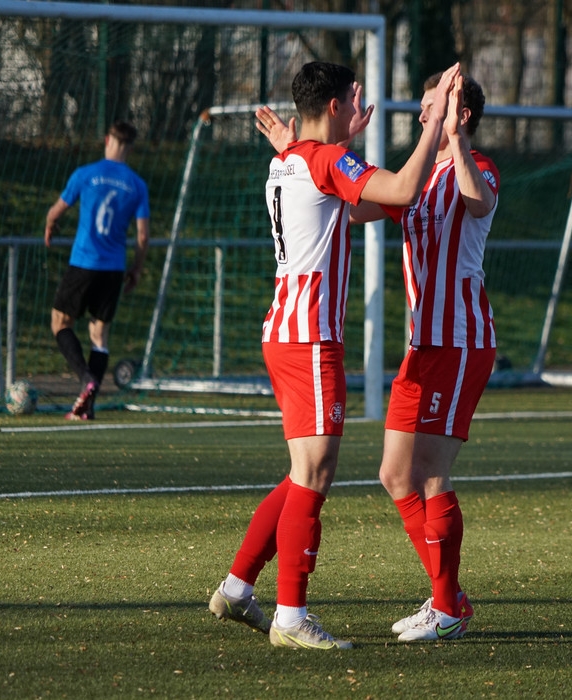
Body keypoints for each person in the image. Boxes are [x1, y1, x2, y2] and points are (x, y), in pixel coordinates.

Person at [208, 60, 461, 650]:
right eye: (354, 99)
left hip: (285, 331)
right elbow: (401, 190)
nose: (359, 106)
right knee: (315, 473)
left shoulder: (289, 160)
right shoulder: (322, 160)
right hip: (309, 339)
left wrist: (342, 146)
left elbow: (353, 197)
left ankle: (238, 586)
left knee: (302, 472)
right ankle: (291, 618)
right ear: (337, 105)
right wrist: (435, 126)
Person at [255, 69, 499, 642]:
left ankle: (447, 609)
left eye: (432, 106)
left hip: (460, 340)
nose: (422, 115)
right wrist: (312, 154)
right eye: (423, 107)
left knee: (430, 474)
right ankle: (448, 599)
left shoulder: (477, 168)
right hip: (423, 346)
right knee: (394, 474)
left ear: (461, 114)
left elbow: (479, 203)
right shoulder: (420, 174)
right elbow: (348, 202)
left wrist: (454, 139)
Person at [45, 120, 150, 421]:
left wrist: (50, 224)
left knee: (60, 322)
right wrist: (136, 268)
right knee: (100, 336)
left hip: (84, 263)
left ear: (107, 140)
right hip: (114, 268)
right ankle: (86, 407)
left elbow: (57, 210)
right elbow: (143, 236)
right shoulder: (137, 185)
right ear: (130, 148)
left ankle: (86, 378)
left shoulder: (85, 174)